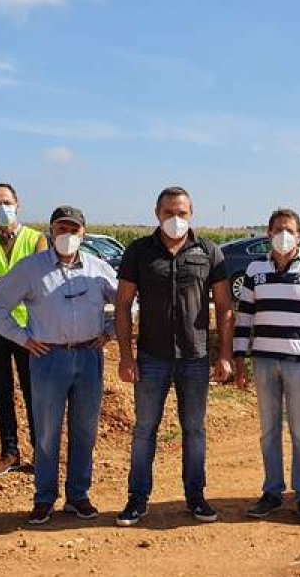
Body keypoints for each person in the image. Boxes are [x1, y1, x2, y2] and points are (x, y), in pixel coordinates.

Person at [0, 205, 117, 525]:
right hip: (48, 358)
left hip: (89, 357)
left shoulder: (98, 269)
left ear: (83, 234)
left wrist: (110, 331)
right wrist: (22, 338)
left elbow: (128, 302)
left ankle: (78, 496)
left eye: (73, 230)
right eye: (61, 229)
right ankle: (44, 497)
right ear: (51, 231)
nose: (67, 235)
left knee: (85, 430)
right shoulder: (31, 269)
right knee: (46, 432)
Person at [114, 186, 235, 527]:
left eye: (181, 213)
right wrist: (126, 356)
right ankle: (137, 499)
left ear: (191, 214)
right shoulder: (139, 252)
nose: (175, 218)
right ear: (157, 214)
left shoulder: (209, 252)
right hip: (151, 357)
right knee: (144, 430)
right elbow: (122, 305)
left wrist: (224, 354)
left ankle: (196, 498)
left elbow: (224, 307)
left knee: (194, 430)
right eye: (168, 212)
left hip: (195, 358)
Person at [234, 209, 300, 526]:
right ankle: (272, 492)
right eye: (278, 229)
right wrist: (239, 359)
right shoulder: (255, 269)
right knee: (268, 432)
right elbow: (244, 316)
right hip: (263, 361)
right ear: (268, 233)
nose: (283, 235)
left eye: (290, 230)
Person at [0, 183, 47, 477]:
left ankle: (42, 452)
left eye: (6, 201)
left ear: (17, 203)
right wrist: (16, 287)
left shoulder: (36, 239)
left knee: (33, 391)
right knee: (1, 392)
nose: (2, 207)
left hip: (30, 327)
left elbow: (41, 279)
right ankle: (9, 452)